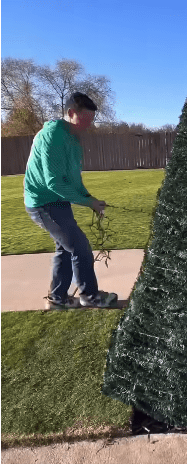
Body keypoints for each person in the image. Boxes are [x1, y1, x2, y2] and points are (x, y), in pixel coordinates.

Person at [24, 92, 118, 310]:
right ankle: (90, 296)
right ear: (71, 113)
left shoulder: (72, 139)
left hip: (58, 202)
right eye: (85, 119)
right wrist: (88, 203)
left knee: (65, 247)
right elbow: (54, 182)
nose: (89, 125)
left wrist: (90, 199)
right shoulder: (53, 135)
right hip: (43, 203)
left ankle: (57, 299)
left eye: (92, 120)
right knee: (79, 246)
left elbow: (74, 179)